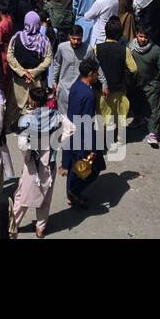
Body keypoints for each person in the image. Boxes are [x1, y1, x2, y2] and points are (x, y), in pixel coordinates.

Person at [13, 86, 59, 238]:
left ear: (32, 101)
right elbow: (69, 130)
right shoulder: (56, 116)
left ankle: (13, 225)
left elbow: (22, 145)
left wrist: (27, 157)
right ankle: (41, 228)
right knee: (45, 197)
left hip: (33, 164)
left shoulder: (27, 121)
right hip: (50, 163)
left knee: (22, 196)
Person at [64, 57, 104, 208]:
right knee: (92, 168)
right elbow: (87, 122)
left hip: (72, 134)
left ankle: (70, 192)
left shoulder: (75, 86)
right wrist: (91, 148)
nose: (98, 76)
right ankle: (74, 193)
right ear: (91, 74)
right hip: (83, 138)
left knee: (74, 166)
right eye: (96, 73)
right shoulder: (88, 95)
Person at [7, 12, 52, 117]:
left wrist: (22, 72)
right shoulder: (44, 40)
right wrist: (33, 73)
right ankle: (34, 128)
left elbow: (10, 56)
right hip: (36, 79)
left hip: (19, 79)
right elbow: (48, 60)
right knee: (35, 105)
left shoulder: (16, 37)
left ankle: (9, 126)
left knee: (14, 105)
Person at [130, 25, 160, 147]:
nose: (142, 39)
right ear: (136, 35)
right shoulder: (130, 48)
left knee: (153, 109)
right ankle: (138, 118)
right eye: (140, 36)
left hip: (151, 84)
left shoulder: (156, 50)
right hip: (135, 84)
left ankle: (153, 133)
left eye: (145, 37)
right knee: (136, 104)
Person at [50, 25, 87, 114]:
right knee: (65, 117)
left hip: (79, 89)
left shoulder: (88, 49)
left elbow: (95, 66)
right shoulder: (62, 47)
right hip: (64, 88)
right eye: (73, 39)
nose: (76, 42)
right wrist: (54, 81)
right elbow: (57, 64)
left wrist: (104, 83)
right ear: (69, 37)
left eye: (79, 39)